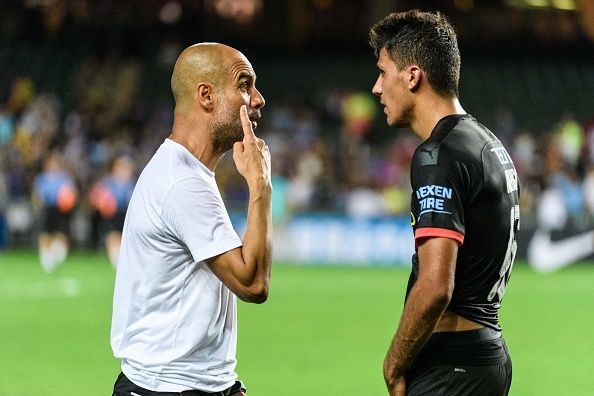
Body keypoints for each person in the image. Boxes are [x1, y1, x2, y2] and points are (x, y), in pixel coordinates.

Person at [369, 10, 518, 396]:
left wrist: (394, 363)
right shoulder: (485, 142)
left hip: (453, 367)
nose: (376, 87)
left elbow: (436, 286)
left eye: (383, 72)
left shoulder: (437, 155)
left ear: (413, 75)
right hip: (487, 359)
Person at [111, 42, 271, 396]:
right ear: (206, 95)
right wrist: (260, 185)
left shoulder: (187, 172)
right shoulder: (182, 182)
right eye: (245, 85)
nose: (258, 99)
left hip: (188, 383)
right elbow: (253, 283)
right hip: (167, 387)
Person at [32, 151, 78, 272]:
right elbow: (37, 195)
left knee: (62, 234)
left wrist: (68, 199)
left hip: (62, 210)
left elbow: (72, 194)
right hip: (48, 208)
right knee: (46, 233)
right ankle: (45, 258)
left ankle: (55, 255)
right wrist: (38, 201)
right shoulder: (42, 178)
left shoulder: (65, 178)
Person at [89, 154, 136, 267]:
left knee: (125, 237)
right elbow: (96, 196)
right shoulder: (108, 181)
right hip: (111, 214)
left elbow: (133, 197)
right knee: (111, 235)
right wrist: (101, 201)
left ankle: (122, 260)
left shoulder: (130, 183)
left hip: (125, 212)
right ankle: (116, 261)